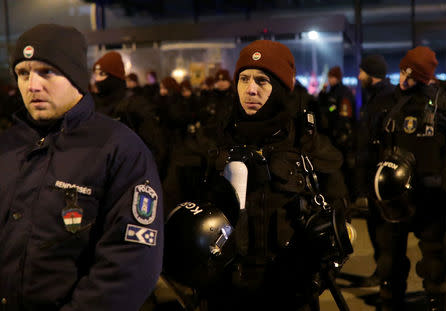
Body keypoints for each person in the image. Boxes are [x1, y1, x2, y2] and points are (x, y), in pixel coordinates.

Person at [165, 40, 351, 311]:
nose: (250, 89)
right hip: (221, 291)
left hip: (290, 291)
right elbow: (171, 204)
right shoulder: (209, 140)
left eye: (262, 81)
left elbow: (338, 212)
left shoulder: (307, 144)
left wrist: (319, 259)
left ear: (280, 87)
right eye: (244, 79)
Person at [0, 23, 164, 310]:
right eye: (23, 73)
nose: (32, 85)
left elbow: (131, 262)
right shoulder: (7, 145)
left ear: (75, 75)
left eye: (46, 71)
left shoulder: (119, 148)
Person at [374, 46, 446, 311]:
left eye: (409, 73)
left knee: (434, 259)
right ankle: (390, 300)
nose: (402, 78)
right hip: (395, 194)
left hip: (431, 194)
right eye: (402, 70)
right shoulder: (390, 100)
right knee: (389, 259)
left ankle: (436, 301)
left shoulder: (442, 101)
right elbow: (373, 145)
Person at [353, 54, 395, 287]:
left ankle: (386, 277)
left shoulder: (385, 99)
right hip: (370, 175)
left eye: (362, 72)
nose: (359, 76)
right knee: (374, 227)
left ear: (372, 74)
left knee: (383, 231)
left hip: (379, 176)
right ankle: (382, 272)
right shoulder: (373, 98)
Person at [318, 66, 356, 198]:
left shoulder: (343, 93)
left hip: (342, 139)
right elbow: (324, 107)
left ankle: (349, 197)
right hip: (332, 136)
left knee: (346, 169)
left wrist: (341, 135)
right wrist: (322, 92)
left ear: (337, 78)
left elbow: (344, 116)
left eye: (331, 77)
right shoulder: (331, 92)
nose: (329, 79)